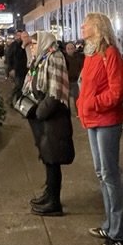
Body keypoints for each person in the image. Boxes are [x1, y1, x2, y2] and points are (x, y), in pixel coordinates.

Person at [77, 13, 123, 245]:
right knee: (101, 173)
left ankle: (118, 232)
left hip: (107, 120)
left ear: (97, 27)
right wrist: (85, 106)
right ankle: (109, 224)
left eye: (86, 23)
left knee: (109, 174)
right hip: (94, 120)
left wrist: (93, 104)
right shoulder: (90, 54)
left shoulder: (109, 53)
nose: (82, 26)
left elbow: (118, 91)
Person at [25, 30, 74, 215]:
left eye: (35, 44)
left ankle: (54, 202)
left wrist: (39, 112)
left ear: (44, 42)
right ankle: (49, 194)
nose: (32, 47)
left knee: (53, 158)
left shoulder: (54, 58)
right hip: (46, 118)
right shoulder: (43, 58)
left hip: (54, 118)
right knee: (48, 157)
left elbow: (55, 93)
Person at [64, 40, 85, 112]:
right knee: (66, 99)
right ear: (66, 49)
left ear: (74, 49)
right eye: (68, 49)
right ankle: (67, 112)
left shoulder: (79, 57)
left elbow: (81, 68)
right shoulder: (64, 58)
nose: (70, 50)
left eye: (71, 48)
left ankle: (78, 112)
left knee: (76, 97)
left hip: (75, 81)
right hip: (67, 81)